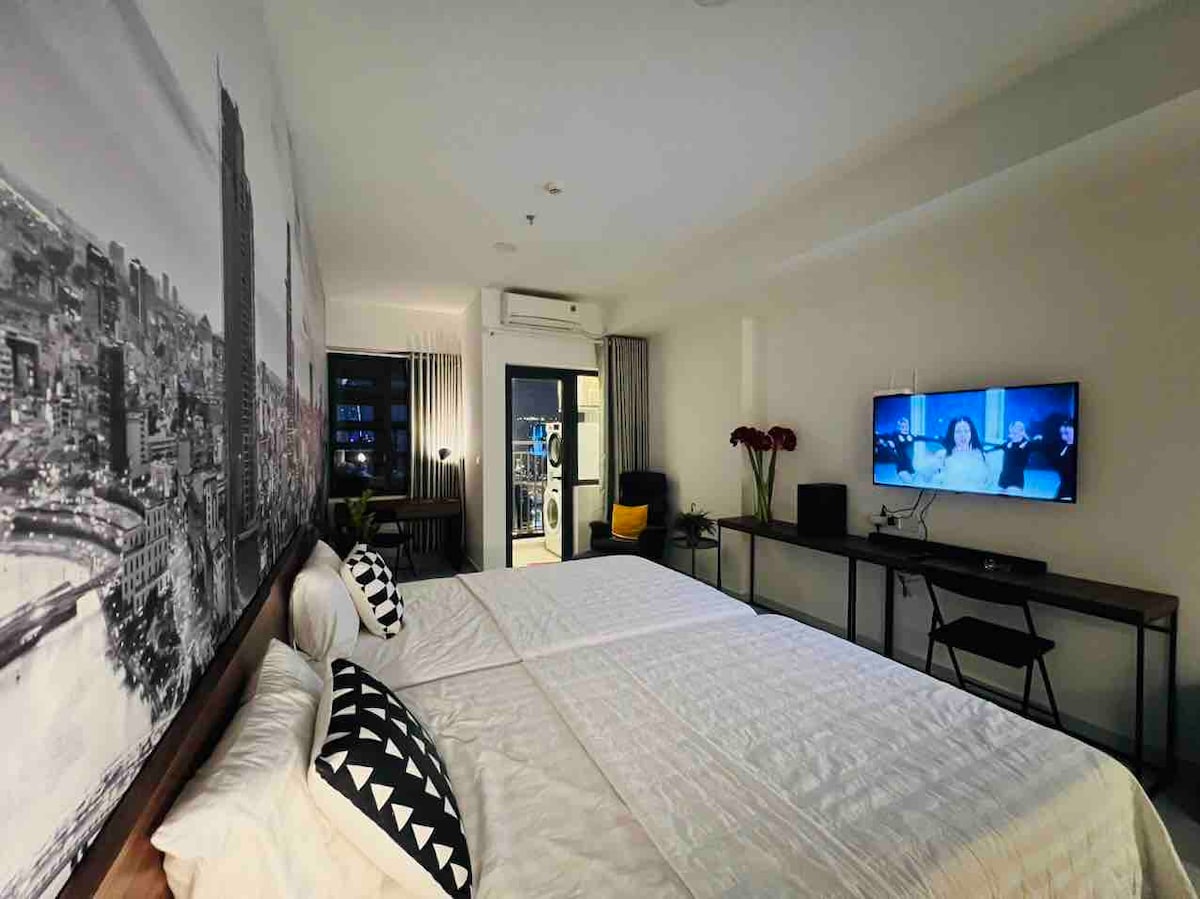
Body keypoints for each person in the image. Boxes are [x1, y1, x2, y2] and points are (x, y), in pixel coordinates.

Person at [934, 416, 991, 492]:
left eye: (966, 431)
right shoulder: (942, 456)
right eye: (958, 432)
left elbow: (989, 484)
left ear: (972, 433)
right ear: (952, 434)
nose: (963, 435)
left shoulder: (982, 456)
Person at [997, 420, 1043, 494]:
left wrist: (1037, 439)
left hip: (1015, 481)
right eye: (1011, 432)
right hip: (1002, 481)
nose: (1012, 435)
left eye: (1015, 432)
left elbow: (1038, 444)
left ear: (1022, 432)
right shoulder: (1007, 444)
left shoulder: (1027, 444)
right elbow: (994, 448)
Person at [877, 417, 916, 483]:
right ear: (899, 428)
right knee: (909, 481)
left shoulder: (910, 437)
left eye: (907, 426)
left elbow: (921, 438)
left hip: (910, 467)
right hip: (901, 467)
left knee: (912, 481)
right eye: (903, 427)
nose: (905, 428)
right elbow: (884, 437)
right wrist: (886, 442)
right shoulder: (894, 436)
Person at [1054, 418, 1077, 501]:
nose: (1063, 437)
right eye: (1062, 433)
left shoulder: (1073, 449)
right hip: (1063, 487)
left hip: (1070, 490)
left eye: (1067, 433)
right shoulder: (1065, 447)